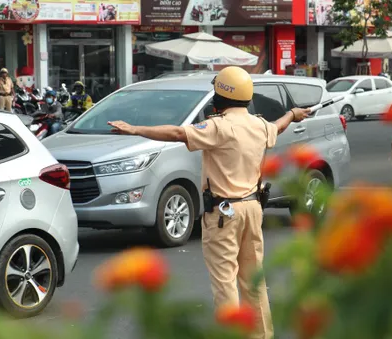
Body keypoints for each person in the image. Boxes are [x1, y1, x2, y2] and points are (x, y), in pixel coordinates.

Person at [108, 66, 311, 339]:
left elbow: (179, 134)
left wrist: (134, 129)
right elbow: (279, 126)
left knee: (225, 282)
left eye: (216, 91)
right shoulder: (259, 125)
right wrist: (293, 114)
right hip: (253, 208)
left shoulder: (219, 127)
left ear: (224, 95)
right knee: (253, 281)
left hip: (224, 213)